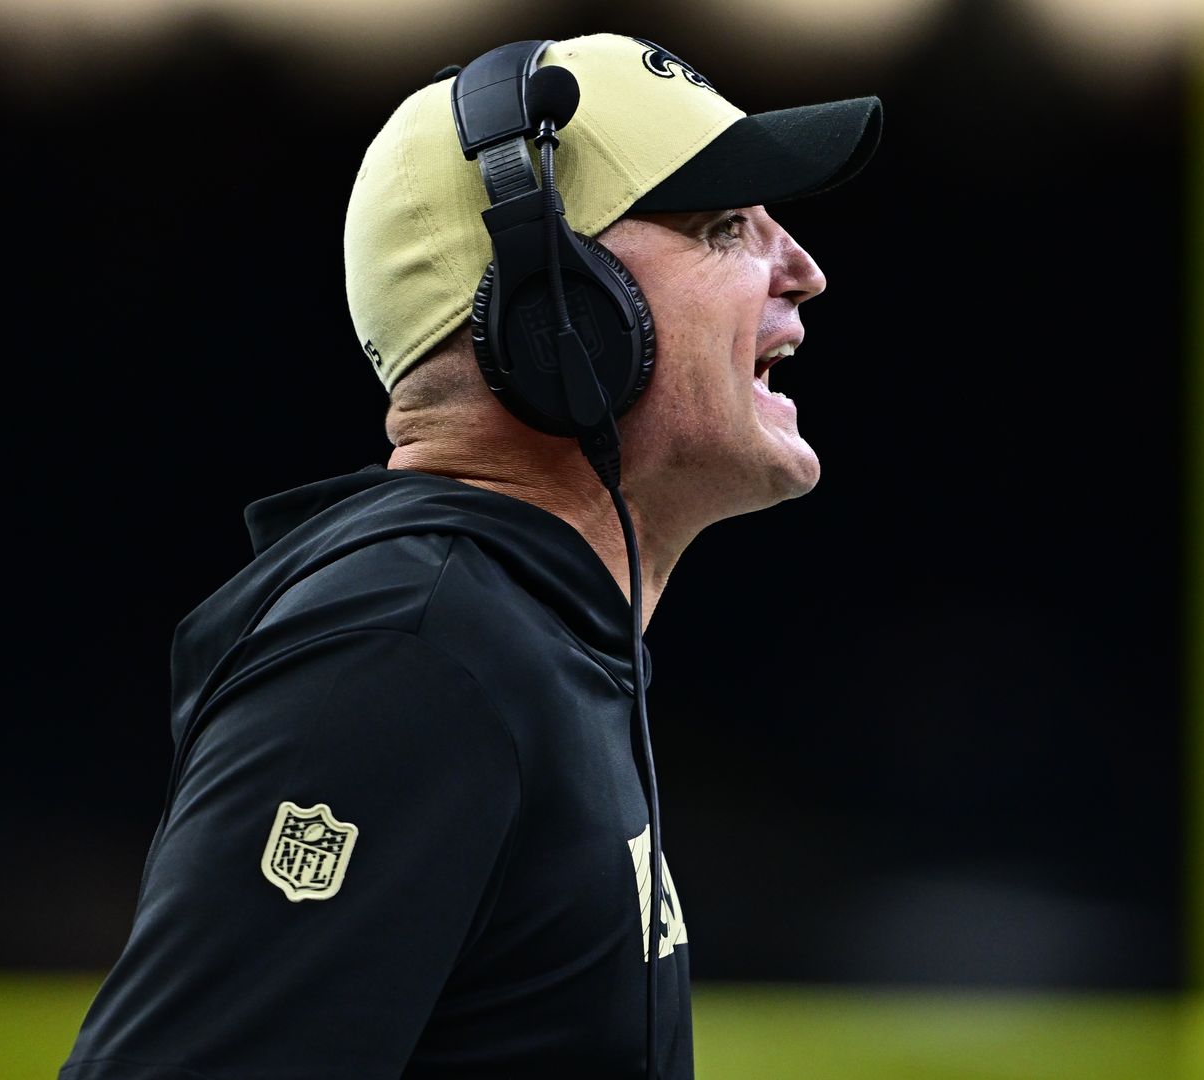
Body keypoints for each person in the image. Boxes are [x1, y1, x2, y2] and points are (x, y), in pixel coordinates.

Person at [60, 32, 880, 1080]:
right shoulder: (412, 654)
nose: (803, 271)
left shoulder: (508, 637)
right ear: (562, 313)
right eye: (724, 226)